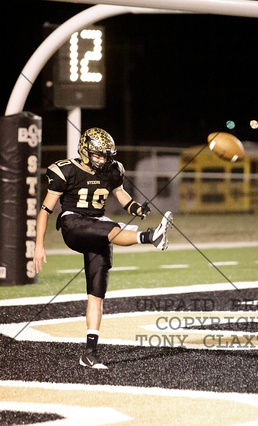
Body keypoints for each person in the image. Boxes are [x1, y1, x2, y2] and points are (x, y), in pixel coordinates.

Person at [33, 128, 173, 369]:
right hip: (73, 224)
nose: (103, 160)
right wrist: (38, 245)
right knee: (109, 228)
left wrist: (135, 208)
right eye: (98, 155)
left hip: (98, 227)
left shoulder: (112, 170)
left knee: (96, 295)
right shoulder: (64, 170)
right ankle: (151, 237)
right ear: (85, 151)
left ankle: (89, 353)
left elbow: (120, 195)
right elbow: (45, 210)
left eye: (106, 155)